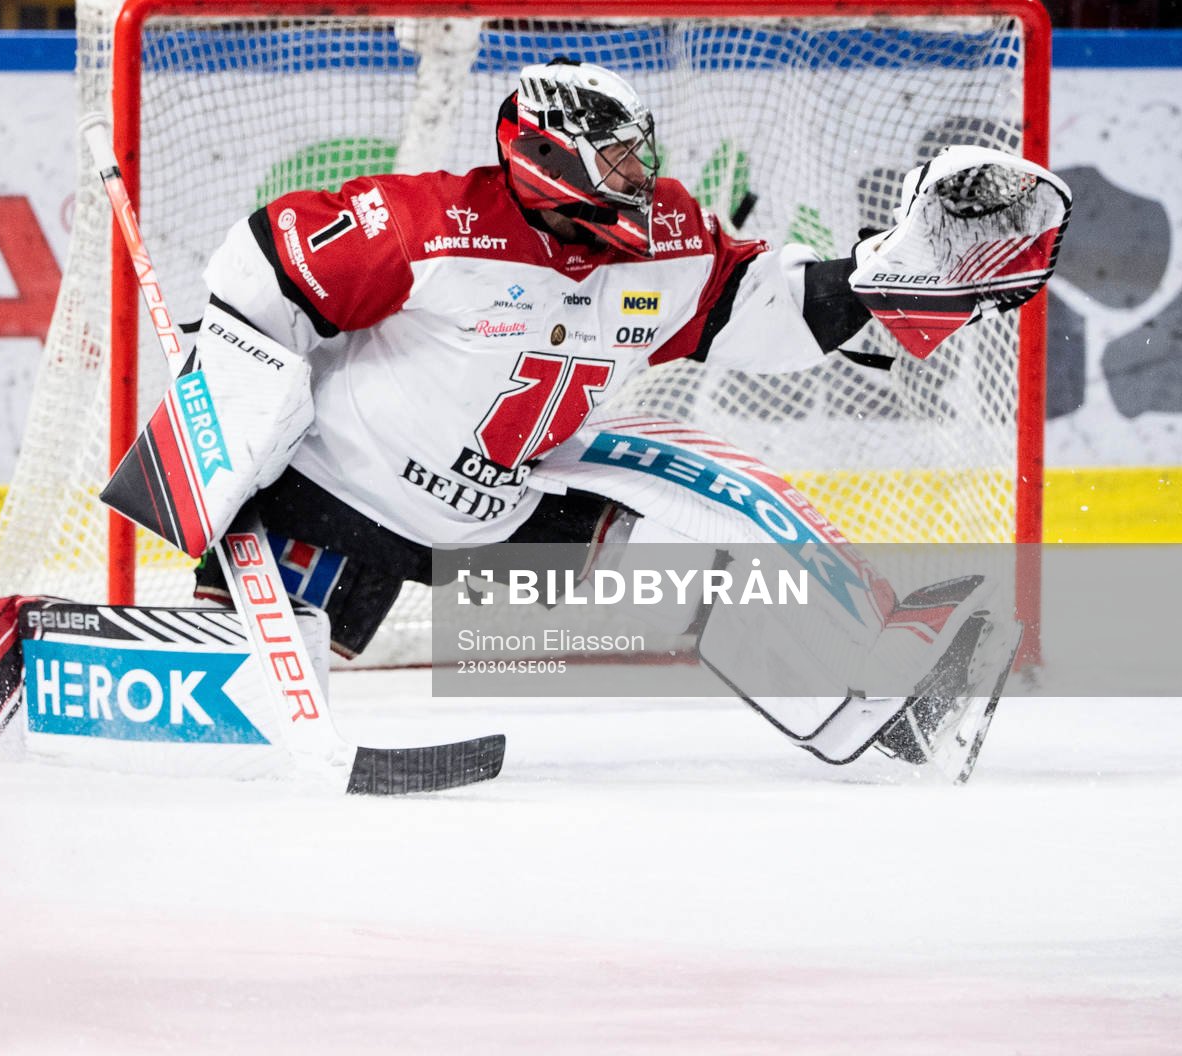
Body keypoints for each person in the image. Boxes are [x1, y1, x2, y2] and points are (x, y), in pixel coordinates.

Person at [186, 58, 1066, 764]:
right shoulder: (432, 223)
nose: (639, 179)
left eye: (639, 157)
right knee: (222, 720)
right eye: (615, 162)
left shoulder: (667, 245)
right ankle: (41, 634)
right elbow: (261, 267)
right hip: (332, 494)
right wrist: (223, 405)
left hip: (491, 517)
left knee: (695, 549)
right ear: (550, 160)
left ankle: (876, 717)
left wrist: (879, 285)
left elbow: (764, 311)